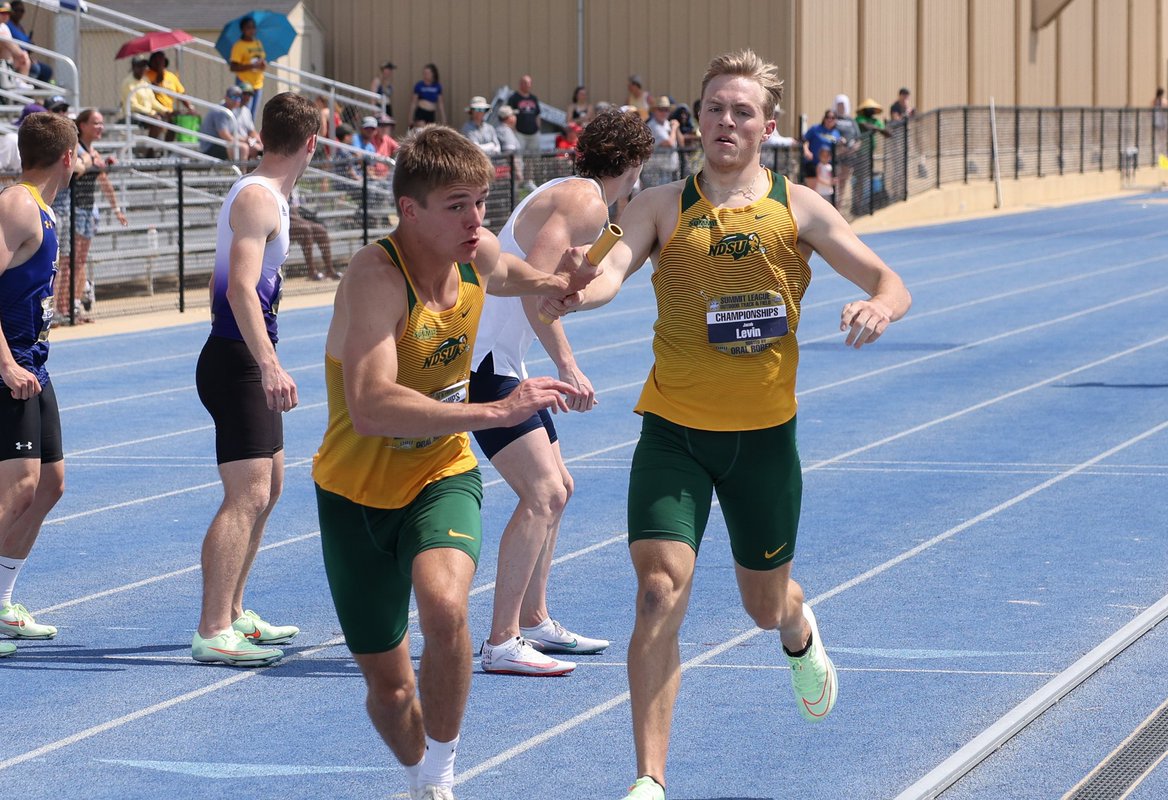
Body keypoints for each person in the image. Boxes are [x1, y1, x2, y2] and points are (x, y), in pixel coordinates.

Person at [541, 50, 911, 800]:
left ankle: (797, 628)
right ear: (696, 121)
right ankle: (650, 780)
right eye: (714, 108)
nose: (726, 122)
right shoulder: (656, 207)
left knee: (762, 604)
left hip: (763, 443)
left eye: (742, 111)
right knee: (656, 592)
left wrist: (878, 306)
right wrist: (580, 288)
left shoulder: (800, 206)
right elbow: (610, 271)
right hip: (673, 433)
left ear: (768, 127)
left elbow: (888, 279)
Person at [311, 125, 598, 799]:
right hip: (353, 495)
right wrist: (496, 413)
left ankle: (439, 782)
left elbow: (515, 276)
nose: (476, 219)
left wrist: (559, 284)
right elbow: (373, 407)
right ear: (409, 211)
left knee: (445, 609)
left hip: (440, 476)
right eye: (456, 205)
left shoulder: (478, 253)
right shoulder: (376, 279)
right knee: (389, 690)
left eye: (481, 202)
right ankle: (420, 766)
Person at [469, 109, 654, 678]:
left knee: (560, 487)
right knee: (544, 493)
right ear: (635, 164)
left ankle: (534, 618)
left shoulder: (570, 192)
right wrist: (569, 366)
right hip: (487, 365)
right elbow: (535, 284)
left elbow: (539, 282)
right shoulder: (586, 202)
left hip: (506, 360)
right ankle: (501, 639)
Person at [191, 92, 321, 667]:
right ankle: (212, 626)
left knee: (269, 489)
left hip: (245, 355)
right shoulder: (257, 199)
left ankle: (235, 608)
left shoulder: (270, 198)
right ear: (312, 144)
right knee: (246, 494)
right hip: (236, 359)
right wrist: (268, 362)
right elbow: (239, 288)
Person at [0, 111, 78, 658]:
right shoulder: (18, 205)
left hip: (34, 364)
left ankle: (3, 600)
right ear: (68, 158)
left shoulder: (44, 210)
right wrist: (5, 364)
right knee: (18, 488)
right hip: (9, 365)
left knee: (50, 484)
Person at [50, 109, 128, 324]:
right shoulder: (76, 149)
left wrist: (117, 210)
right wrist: (88, 161)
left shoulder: (93, 152)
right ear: (82, 125)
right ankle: (61, 307)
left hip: (88, 208)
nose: (100, 127)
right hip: (73, 208)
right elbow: (75, 171)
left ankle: (72, 307)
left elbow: (104, 182)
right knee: (68, 261)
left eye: (102, 123)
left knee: (80, 261)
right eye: (96, 123)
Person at [145, 51, 195, 141]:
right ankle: (150, 150)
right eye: (156, 61)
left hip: (169, 110)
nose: (158, 63)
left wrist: (190, 107)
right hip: (154, 110)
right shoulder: (147, 75)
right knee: (158, 120)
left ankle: (168, 149)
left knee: (177, 118)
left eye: (161, 60)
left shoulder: (171, 76)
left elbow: (181, 94)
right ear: (151, 63)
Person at [119, 57, 169, 142]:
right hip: (132, 115)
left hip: (147, 115)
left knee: (171, 118)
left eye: (144, 66)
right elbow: (132, 106)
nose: (143, 69)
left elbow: (152, 101)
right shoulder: (127, 83)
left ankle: (169, 150)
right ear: (134, 67)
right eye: (140, 66)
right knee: (156, 120)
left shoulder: (145, 81)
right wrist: (151, 113)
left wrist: (166, 111)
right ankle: (150, 150)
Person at [228, 15, 267, 116]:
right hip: (245, 83)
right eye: (248, 27)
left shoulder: (258, 43)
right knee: (244, 112)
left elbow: (261, 59)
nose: (251, 30)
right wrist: (252, 66)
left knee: (252, 115)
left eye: (253, 27)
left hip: (258, 83)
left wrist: (262, 65)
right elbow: (233, 67)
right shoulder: (239, 45)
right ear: (243, 30)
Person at [199, 87, 248, 162]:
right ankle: (241, 172)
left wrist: (245, 139)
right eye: (234, 97)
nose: (236, 100)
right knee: (244, 148)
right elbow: (224, 135)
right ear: (226, 98)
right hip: (210, 146)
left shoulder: (233, 111)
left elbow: (232, 134)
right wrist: (241, 142)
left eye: (239, 98)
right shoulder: (221, 111)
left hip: (221, 143)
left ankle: (248, 171)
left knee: (253, 147)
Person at [642, 96, 681, 187]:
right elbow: (669, 143)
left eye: (666, 110)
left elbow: (681, 142)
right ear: (654, 111)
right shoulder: (653, 126)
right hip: (656, 173)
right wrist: (674, 128)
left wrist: (677, 128)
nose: (664, 112)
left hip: (670, 171)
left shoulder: (667, 123)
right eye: (661, 109)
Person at [5, 2, 49, 82]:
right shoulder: (7, 26)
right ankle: (25, 93)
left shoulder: (20, 27)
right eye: (17, 10)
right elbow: (15, 48)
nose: (20, 13)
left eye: (22, 11)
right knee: (35, 68)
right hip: (14, 58)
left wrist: (30, 45)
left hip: (23, 57)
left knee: (47, 70)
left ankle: (31, 92)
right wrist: (24, 54)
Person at [802, 109, 844, 191]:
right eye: (828, 117)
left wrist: (842, 143)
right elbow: (805, 141)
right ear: (824, 118)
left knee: (825, 190)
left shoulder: (836, 133)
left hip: (826, 167)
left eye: (833, 118)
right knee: (812, 190)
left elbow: (838, 150)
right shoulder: (815, 129)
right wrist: (806, 151)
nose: (830, 120)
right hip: (813, 163)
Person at [507, 74, 541, 158]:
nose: (528, 85)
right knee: (518, 157)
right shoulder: (513, 98)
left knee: (534, 158)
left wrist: (538, 128)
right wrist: (513, 130)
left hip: (534, 133)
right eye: (526, 83)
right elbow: (510, 115)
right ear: (520, 84)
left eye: (529, 83)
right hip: (520, 133)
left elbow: (537, 115)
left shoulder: (534, 98)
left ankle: (532, 172)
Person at [409, 63, 445, 128]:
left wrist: (443, 118)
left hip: (431, 113)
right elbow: (413, 102)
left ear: (433, 74)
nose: (425, 75)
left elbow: (441, 104)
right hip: (421, 112)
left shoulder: (437, 86)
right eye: (424, 73)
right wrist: (410, 118)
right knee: (422, 131)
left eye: (427, 73)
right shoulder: (419, 85)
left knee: (429, 133)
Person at [0, 2, 31, 78]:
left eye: (9, 13)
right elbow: (7, 42)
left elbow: (12, 42)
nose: (6, 16)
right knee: (7, 47)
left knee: (25, 59)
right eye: (3, 12)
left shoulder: (4, 26)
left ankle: (19, 82)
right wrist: (20, 53)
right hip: (3, 59)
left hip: (7, 61)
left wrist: (22, 54)